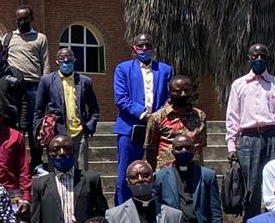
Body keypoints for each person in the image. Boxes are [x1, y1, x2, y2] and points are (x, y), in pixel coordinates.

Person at [113, 33, 173, 203]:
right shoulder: (123, 69)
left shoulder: (165, 69)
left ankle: (155, 207)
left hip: (158, 127)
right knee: (126, 172)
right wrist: (143, 115)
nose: (144, 49)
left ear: (153, 48)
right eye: (140, 45)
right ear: (134, 48)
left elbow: (169, 97)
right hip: (130, 128)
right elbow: (121, 98)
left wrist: (157, 116)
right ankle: (122, 209)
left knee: (157, 172)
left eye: (147, 45)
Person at [226, 43, 275, 220]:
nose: (259, 59)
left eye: (262, 56)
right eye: (255, 56)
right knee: (251, 186)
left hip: (273, 136)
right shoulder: (238, 85)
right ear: (248, 58)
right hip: (249, 139)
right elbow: (233, 117)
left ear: (267, 59)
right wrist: (231, 146)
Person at [35, 47, 100, 170]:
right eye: (62, 60)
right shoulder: (47, 80)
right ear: (57, 62)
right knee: (56, 171)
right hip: (56, 133)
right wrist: (39, 131)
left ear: (74, 60)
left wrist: (89, 126)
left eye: (69, 60)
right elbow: (38, 110)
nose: (66, 62)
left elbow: (94, 109)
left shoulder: (85, 81)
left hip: (79, 133)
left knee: (81, 172)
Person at [4, 6, 50, 164]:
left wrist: (46, 87)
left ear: (32, 18)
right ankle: (13, 161)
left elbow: (45, 64)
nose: (21, 22)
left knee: (34, 125)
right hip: (13, 86)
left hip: (34, 86)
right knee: (13, 123)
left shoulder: (40, 38)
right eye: (19, 19)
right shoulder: (8, 37)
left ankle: (36, 162)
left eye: (25, 18)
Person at [145, 75, 207, 170]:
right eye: (177, 91)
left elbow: (201, 145)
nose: (183, 94)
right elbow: (150, 149)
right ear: (170, 92)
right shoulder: (157, 118)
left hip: (195, 171)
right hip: (167, 172)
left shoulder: (200, 116)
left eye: (186, 90)